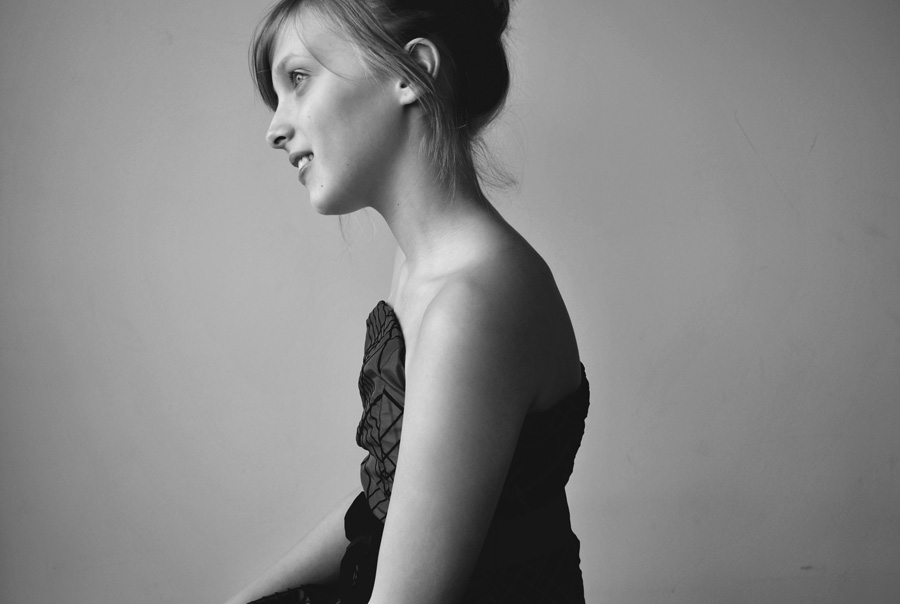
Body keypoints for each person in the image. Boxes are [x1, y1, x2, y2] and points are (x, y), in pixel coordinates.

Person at [226, 1, 589, 603]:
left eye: (299, 79)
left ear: (411, 71)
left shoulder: (471, 305)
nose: (275, 128)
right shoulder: (425, 269)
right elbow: (384, 507)